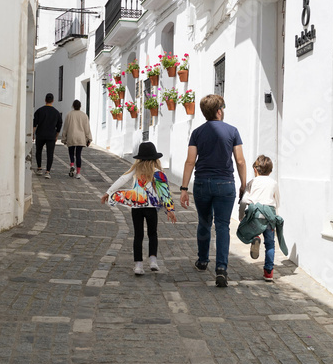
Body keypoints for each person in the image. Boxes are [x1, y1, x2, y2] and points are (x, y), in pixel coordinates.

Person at [180, 94, 247, 288]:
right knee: (223, 226)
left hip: (202, 183)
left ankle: (202, 261)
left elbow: (190, 161)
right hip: (225, 184)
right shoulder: (232, 131)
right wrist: (243, 184)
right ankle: (221, 269)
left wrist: (184, 188)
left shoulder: (197, 133)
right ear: (218, 111)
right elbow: (240, 161)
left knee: (204, 222)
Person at [100, 142, 176, 276]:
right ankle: (153, 261)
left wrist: (108, 192)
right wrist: (169, 209)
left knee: (138, 235)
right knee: (153, 234)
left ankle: (138, 265)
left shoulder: (135, 170)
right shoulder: (158, 173)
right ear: (155, 158)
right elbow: (165, 192)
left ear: (139, 158)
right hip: (151, 208)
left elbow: (122, 179)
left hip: (136, 207)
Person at [237, 154, 288, 281]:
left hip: (254, 214)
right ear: (270, 171)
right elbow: (277, 201)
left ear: (255, 169)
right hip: (269, 215)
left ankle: (255, 237)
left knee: (250, 230)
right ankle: (269, 272)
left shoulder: (252, 182)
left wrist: (241, 216)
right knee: (270, 244)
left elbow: (244, 201)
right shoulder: (273, 183)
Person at [33, 93, 62, 179]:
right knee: (50, 153)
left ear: (45, 100)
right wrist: (56, 136)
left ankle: (39, 168)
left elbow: (35, 124)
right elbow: (59, 126)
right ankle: (47, 171)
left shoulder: (39, 111)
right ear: (53, 101)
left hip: (40, 134)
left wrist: (33, 134)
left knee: (38, 151)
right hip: (51, 135)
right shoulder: (56, 113)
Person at [61, 99, 92, 179]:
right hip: (80, 137)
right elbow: (87, 128)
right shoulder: (84, 115)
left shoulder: (69, 115)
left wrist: (64, 138)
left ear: (73, 106)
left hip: (71, 136)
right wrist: (89, 139)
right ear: (80, 106)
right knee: (78, 155)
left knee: (71, 153)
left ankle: (72, 164)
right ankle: (78, 173)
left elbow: (65, 127)